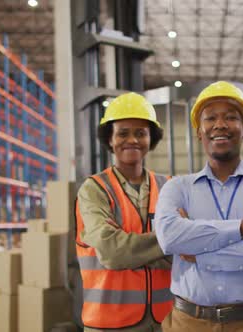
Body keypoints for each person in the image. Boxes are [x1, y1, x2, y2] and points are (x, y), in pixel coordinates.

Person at [154, 81, 243, 332]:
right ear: (199, 131)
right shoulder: (177, 189)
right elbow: (170, 238)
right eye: (210, 118)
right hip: (189, 322)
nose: (220, 124)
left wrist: (197, 252)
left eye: (231, 117)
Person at [75, 92, 173, 332]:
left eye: (141, 133)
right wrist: (173, 241)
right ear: (110, 139)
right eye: (123, 133)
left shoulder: (169, 186)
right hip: (109, 322)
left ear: (151, 139)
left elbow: (189, 253)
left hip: (166, 320)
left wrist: (137, 250)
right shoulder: (94, 189)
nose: (132, 140)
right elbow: (112, 252)